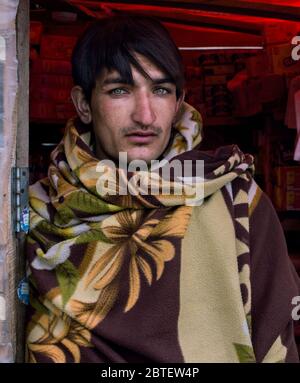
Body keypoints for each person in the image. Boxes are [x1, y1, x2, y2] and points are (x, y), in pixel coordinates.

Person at [25, 15, 300, 363]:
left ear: (178, 101)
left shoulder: (236, 199)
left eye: (160, 90)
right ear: (83, 104)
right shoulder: (37, 209)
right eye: (119, 91)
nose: (145, 115)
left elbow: (277, 339)